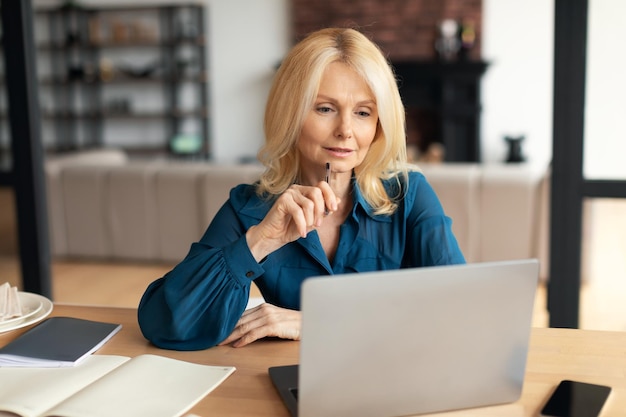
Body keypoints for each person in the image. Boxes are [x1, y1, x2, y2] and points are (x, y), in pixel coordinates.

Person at [138, 27, 465, 351]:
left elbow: (460, 309)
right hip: (294, 375)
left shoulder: (408, 194)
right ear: (290, 112)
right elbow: (164, 323)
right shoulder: (250, 207)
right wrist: (260, 240)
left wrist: (316, 323)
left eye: (363, 113)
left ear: (379, 124)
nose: (345, 131)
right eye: (325, 109)